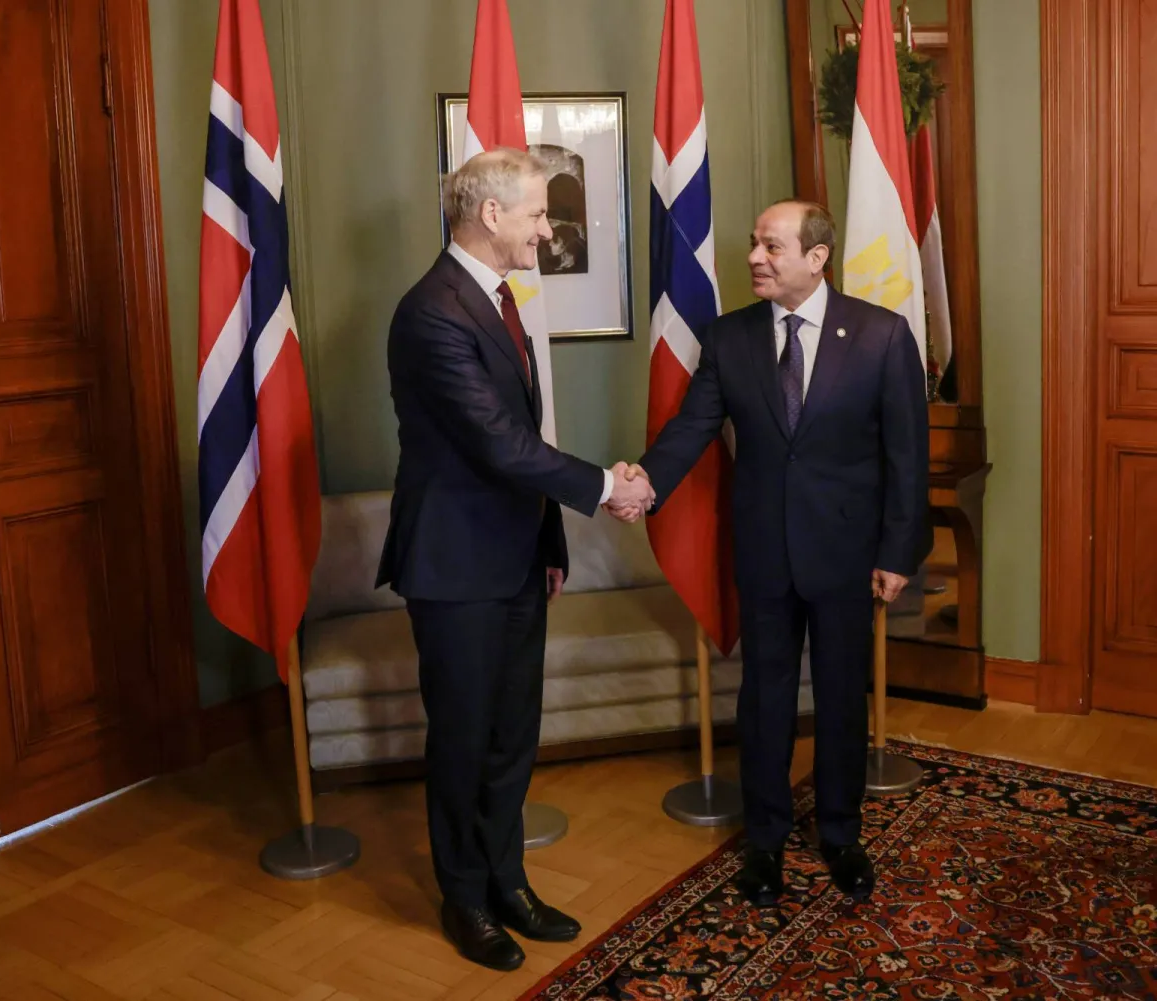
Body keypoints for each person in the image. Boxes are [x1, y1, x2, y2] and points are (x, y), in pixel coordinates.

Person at [377, 147, 654, 972]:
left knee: (512, 738)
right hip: (454, 568)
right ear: (490, 214)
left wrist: (550, 541)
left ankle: (508, 882)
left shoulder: (498, 301)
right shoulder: (431, 311)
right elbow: (499, 446)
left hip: (515, 560)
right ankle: (463, 898)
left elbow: (524, 443)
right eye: (537, 212)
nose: (548, 226)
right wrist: (610, 484)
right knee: (463, 740)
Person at [608, 200, 929, 905]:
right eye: (754, 243)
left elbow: (908, 455)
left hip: (848, 553)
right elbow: (692, 426)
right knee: (766, 699)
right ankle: (765, 840)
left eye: (771, 246)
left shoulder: (880, 336)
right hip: (763, 551)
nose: (754, 256)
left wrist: (899, 550)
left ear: (816, 258)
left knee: (843, 696)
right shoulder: (731, 338)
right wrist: (641, 482)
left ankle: (841, 833)